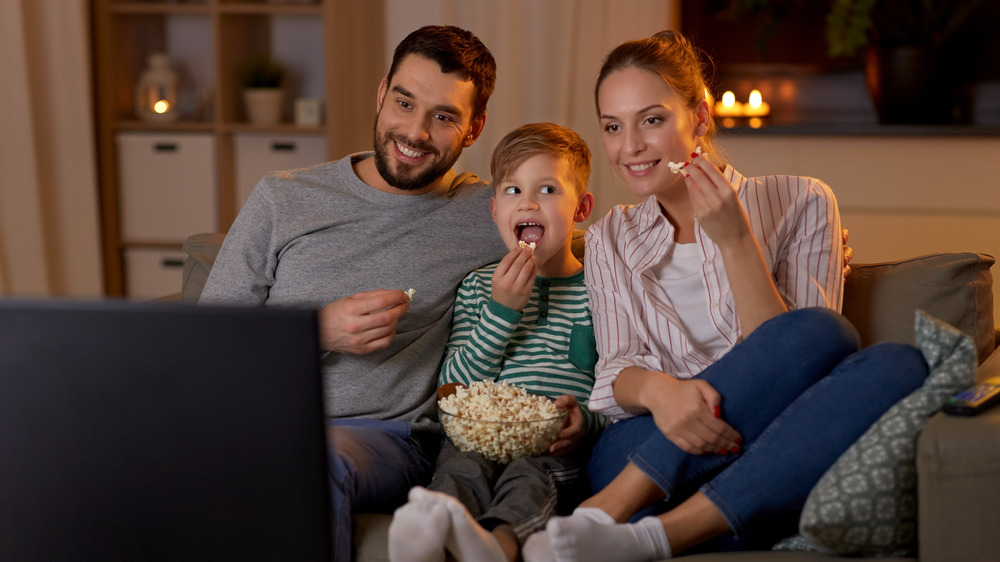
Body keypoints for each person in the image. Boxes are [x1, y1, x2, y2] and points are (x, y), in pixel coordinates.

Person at [521, 30, 929, 562]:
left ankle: (644, 530)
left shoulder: (802, 201)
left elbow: (802, 360)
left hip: (767, 435)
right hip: (644, 438)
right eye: (612, 127)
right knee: (823, 348)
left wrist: (736, 241)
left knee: (893, 361)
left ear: (700, 116)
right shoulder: (609, 236)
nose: (630, 147)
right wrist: (665, 395)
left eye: (652, 119)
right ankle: (634, 506)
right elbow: (615, 368)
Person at [198, 25, 508, 561]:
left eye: (443, 116)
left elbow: (592, 239)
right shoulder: (283, 197)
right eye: (404, 102)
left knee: (310, 463)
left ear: (474, 128)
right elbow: (205, 347)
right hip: (258, 422)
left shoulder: (491, 215)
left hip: (382, 442)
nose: (414, 132)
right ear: (381, 92)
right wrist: (316, 331)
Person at [387, 122, 608, 562]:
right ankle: (431, 531)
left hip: (550, 446)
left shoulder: (601, 292)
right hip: (477, 435)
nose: (527, 202)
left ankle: (497, 543)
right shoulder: (476, 287)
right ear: (493, 210)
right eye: (512, 191)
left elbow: (613, 387)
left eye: (547, 189)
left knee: (530, 478)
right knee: (460, 468)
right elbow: (454, 389)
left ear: (581, 208)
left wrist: (584, 422)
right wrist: (502, 311)